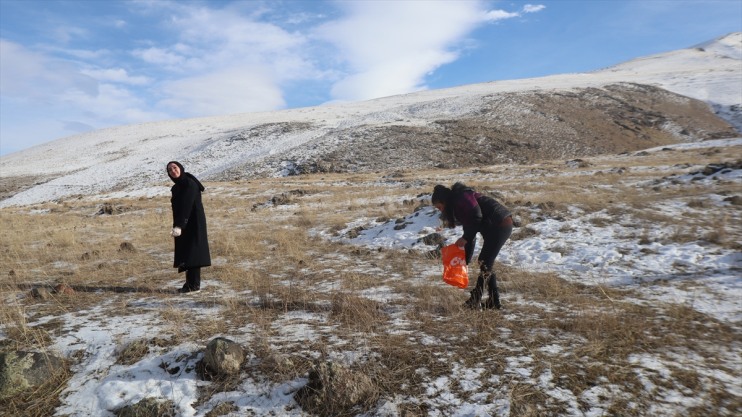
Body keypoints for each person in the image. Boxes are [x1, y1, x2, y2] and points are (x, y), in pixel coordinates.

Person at [431, 182, 513, 309]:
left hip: (500, 224)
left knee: (485, 262)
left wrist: (465, 238)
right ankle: (493, 301)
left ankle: (477, 300)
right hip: (494, 226)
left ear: (444, 201)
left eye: (439, 207)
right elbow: (470, 231)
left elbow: (476, 216)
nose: (440, 211)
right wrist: (465, 260)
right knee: (485, 262)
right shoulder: (457, 205)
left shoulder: (462, 198)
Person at [166, 161, 211, 293]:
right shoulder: (177, 187)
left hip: (193, 222)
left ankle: (194, 285)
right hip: (184, 223)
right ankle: (190, 284)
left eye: (174, 168)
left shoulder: (189, 184)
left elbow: (187, 206)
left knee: (193, 253)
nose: (173, 171)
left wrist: (179, 225)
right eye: (170, 170)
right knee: (187, 252)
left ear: (180, 168)